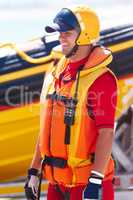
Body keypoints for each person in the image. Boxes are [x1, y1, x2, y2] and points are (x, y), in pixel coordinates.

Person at [25, 5, 118, 200]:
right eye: (60, 33)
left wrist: (95, 180)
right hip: (56, 184)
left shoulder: (101, 80)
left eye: (67, 33)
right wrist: (34, 170)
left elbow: (107, 133)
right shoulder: (56, 73)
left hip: (86, 187)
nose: (61, 37)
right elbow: (46, 128)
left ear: (85, 35)